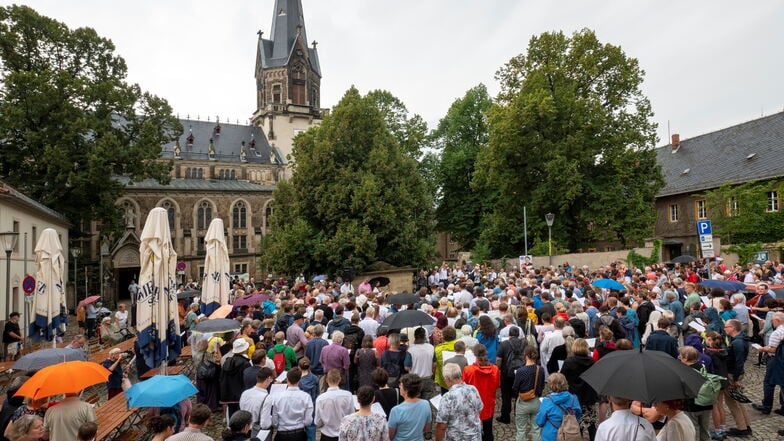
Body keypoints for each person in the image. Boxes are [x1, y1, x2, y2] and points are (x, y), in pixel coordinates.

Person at [259, 368, 314, 441]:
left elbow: (275, 422)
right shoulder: (306, 397)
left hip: (282, 434)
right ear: (299, 380)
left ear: (287, 379)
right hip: (299, 434)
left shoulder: (278, 397)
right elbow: (308, 421)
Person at [560, 338, 599, 440]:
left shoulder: (569, 362)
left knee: (576, 423)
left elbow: (563, 379)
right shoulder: (592, 361)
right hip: (589, 396)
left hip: (574, 397)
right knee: (591, 423)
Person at [436, 363, 482, 441]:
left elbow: (441, 426)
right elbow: (479, 409)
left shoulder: (447, 397)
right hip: (475, 437)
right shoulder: (473, 389)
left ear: (447, 378)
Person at [463, 344, 500, 441]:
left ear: (474, 354)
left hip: (473, 404)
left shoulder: (468, 370)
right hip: (488, 403)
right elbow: (496, 385)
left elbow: (464, 387)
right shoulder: (495, 369)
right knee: (488, 430)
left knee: (473, 430)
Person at [723, 319, 752, 437]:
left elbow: (739, 362)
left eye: (726, 327)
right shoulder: (740, 339)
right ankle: (746, 425)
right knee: (738, 400)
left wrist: (735, 379)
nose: (725, 329)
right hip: (736, 372)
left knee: (732, 402)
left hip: (733, 373)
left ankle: (742, 428)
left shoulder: (737, 343)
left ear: (733, 328)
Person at [536, 373, 582, 441]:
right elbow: (578, 415)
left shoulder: (547, 401)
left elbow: (540, 422)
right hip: (570, 434)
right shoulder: (574, 398)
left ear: (550, 385)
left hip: (551, 435)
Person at [514, 346, 545, 441]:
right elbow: (542, 386)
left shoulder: (520, 371)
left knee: (521, 430)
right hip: (536, 401)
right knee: (536, 430)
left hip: (523, 402)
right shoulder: (541, 369)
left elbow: (515, 388)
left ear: (526, 356)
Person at [387, 374, 432, 441]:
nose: (399, 387)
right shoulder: (426, 404)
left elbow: (390, 436)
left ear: (406, 390)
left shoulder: (396, 410)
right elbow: (427, 429)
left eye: (401, 385)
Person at [496, 326, 525, 424]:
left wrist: (498, 368)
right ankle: (519, 416)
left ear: (509, 334)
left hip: (506, 373)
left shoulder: (504, 344)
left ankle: (505, 417)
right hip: (521, 372)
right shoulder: (524, 343)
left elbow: (499, 359)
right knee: (519, 395)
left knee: (506, 396)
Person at [315, 369, 354, 441]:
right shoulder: (348, 395)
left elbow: (317, 421)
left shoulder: (320, 398)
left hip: (326, 435)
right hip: (343, 434)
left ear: (326, 380)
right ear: (339, 379)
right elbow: (351, 416)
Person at [239, 367, 274, 438]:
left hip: (244, 430)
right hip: (258, 433)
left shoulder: (245, 393)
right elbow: (265, 424)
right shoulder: (267, 397)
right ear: (268, 378)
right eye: (271, 379)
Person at [220, 339, 252, 418]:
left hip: (229, 394)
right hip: (241, 393)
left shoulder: (227, 362)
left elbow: (222, 379)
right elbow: (246, 380)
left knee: (232, 414)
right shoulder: (245, 363)